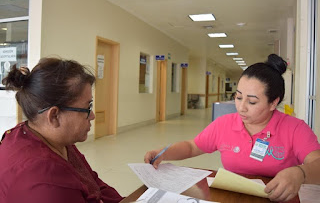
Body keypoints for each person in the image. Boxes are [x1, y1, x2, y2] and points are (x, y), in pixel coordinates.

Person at [144, 54, 320, 202]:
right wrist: (164, 152)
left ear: (273, 102)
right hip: (233, 197)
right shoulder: (224, 124)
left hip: (279, 198)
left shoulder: (295, 128)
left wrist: (300, 173)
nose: (241, 107)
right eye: (238, 97)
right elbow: (192, 147)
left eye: (251, 101)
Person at [0, 58, 124, 203]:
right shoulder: (44, 179)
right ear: (54, 116)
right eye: (87, 107)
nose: (92, 116)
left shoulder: (55, 140)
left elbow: (94, 183)